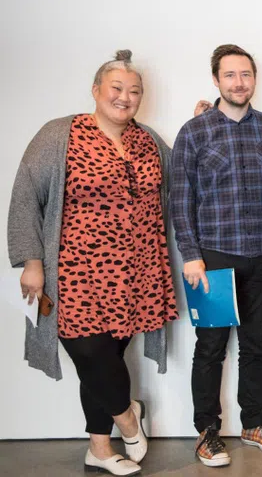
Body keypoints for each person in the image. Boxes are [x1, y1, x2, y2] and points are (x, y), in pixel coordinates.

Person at [9, 50, 177, 476]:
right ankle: (128, 418)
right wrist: (32, 261)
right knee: (89, 351)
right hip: (76, 271)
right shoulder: (60, 135)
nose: (125, 97)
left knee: (104, 360)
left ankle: (99, 449)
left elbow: (182, 184)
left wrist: (198, 127)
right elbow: (27, 194)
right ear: (96, 90)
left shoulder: (149, 140)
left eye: (134, 91)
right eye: (116, 88)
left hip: (137, 270)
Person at [171, 44, 262, 467]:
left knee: (256, 346)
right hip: (213, 259)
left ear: (255, 79)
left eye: (246, 75)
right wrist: (190, 254)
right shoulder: (195, 131)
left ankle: (253, 423)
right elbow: (180, 200)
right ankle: (206, 432)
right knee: (211, 347)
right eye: (231, 75)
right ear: (216, 80)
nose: (239, 83)